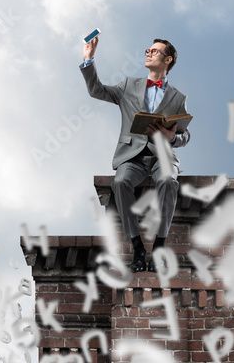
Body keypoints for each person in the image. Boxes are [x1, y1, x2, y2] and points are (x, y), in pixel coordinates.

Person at [80, 36, 191, 273]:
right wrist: (88, 61)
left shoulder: (178, 98)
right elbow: (97, 90)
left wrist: (171, 137)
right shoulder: (129, 85)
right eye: (147, 50)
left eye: (154, 51)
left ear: (167, 59)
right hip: (132, 156)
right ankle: (138, 247)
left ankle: (159, 247)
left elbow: (185, 135)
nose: (148, 53)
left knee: (168, 180)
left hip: (162, 156)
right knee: (120, 182)